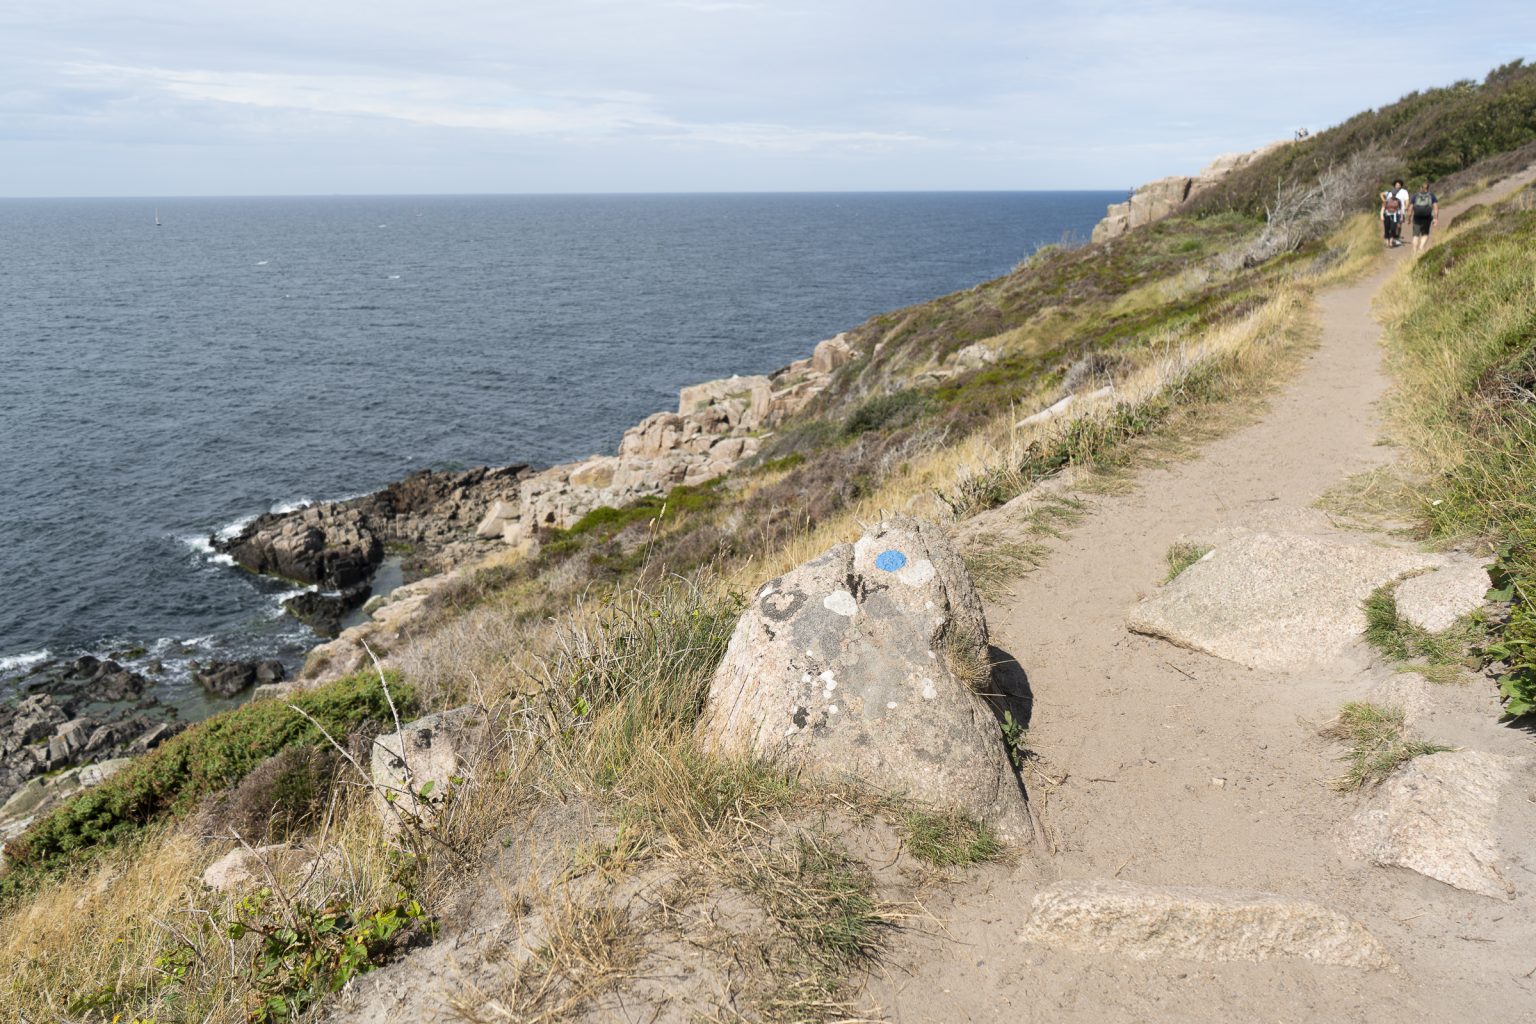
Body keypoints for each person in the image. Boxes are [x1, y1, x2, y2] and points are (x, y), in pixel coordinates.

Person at [1410, 181, 1438, 253]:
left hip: (1416, 217)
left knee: (1415, 235)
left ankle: (1414, 252)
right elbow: (1435, 208)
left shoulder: (1415, 196)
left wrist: (1409, 218)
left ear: (1420, 188)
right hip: (1427, 217)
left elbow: (1410, 208)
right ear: (1428, 188)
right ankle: (1421, 248)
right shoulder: (1431, 195)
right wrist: (1435, 218)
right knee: (1425, 234)